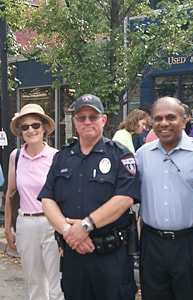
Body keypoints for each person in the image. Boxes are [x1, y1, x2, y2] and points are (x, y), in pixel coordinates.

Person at [38, 94, 141, 300]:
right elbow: (47, 199)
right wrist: (69, 232)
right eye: (81, 117)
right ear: (74, 121)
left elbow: (125, 199)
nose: (87, 122)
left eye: (93, 117)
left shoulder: (120, 155)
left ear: (103, 120)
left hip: (111, 256)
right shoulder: (62, 157)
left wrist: (85, 226)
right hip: (74, 254)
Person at [135, 96, 193, 300]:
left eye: (171, 117)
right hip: (152, 245)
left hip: (190, 244)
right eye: (158, 118)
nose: (164, 123)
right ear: (151, 122)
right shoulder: (142, 155)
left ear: (185, 120)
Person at [4, 104, 64, 300]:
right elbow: (11, 193)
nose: (31, 130)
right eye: (25, 127)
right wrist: (7, 228)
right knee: (34, 282)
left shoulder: (56, 156)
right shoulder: (16, 156)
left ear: (44, 128)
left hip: (51, 223)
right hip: (25, 224)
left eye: (35, 125)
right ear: (21, 132)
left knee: (57, 282)